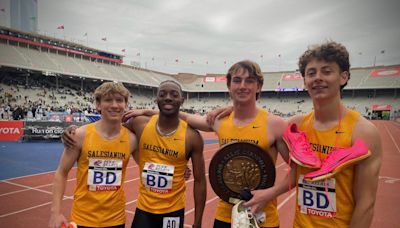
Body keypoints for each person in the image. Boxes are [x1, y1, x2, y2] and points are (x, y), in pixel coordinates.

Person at [125, 61, 289, 228]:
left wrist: (269, 194)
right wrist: (149, 111)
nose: (242, 86)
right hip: (225, 216)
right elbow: (184, 117)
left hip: (262, 217)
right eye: (237, 80)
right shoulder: (219, 121)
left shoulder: (275, 125)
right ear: (229, 86)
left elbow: (298, 172)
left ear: (259, 86)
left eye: (249, 81)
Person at [243, 41, 383, 227]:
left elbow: (366, 204)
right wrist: (234, 108)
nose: (318, 78)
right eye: (311, 73)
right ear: (304, 81)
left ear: (343, 77)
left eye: (326, 71)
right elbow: (296, 172)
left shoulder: (363, 132)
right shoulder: (296, 126)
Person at [49, 82, 137, 228]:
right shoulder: (79, 135)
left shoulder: (132, 139)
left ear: (125, 105)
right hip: (83, 219)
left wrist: (179, 169)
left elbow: (148, 164)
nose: (115, 105)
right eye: (108, 100)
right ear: (98, 105)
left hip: (116, 220)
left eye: (119, 100)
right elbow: (61, 173)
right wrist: (55, 212)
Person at [125, 80, 206, 228]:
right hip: (144, 209)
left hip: (172, 212)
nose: (168, 97)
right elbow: (113, 130)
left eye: (174, 95)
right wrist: (75, 130)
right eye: (163, 94)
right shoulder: (140, 124)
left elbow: (200, 181)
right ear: (156, 99)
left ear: (182, 100)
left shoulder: (192, 137)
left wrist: (198, 222)